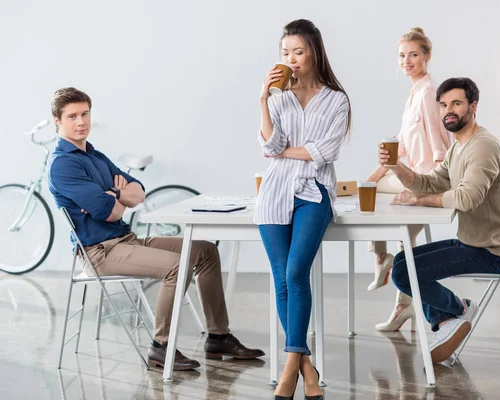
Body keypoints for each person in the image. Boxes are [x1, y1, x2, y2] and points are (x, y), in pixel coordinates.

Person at [47, 87, 264, 371]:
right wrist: (115, 196)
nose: (81, 122)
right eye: (72, 116)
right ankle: (161, 348)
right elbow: (107, 212)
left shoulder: (95, 155)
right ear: (57, 121)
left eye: (85, 114)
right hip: (98, 252)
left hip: (126, 240)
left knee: (205, 250)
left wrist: (113, 195)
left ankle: (218, 336)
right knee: (178, 266)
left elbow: (139, 193)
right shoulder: (62, 165)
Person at [378, 77, 500, 363]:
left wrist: (416, 201)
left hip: (490, 252)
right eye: (442, 105)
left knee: (404, 274)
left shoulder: (483, 147)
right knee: (401, 262)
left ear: (473, 106)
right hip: (473, 241)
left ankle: (458, 310)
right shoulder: (459, 146)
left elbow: (466, 199)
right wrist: (396, 166)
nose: (447, 111)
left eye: (456, 103)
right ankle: (446, 319)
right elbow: (431, 182)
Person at [256, 19, 350, 400]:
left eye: (298, 51)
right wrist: (262, 99)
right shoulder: (277, 98)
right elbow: (269, 145)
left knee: (296, 273)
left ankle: (288, 369)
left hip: (315, 194)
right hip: (274, 194)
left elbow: (325, 153)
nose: (291, 59)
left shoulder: (336, 99)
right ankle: (305, 369)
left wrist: (284, 150)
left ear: (314, 51)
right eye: (285, 53)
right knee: (282, 281)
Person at [365, 27, 452, 332]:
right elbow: (400, 146)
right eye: (402, 55)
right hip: (408, 172)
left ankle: (382, 261)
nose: (407, 60)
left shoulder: (429, 92)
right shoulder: (415, 91)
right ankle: (402, 302)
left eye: (413, 54)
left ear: (427, 56)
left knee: (405, 238)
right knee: (370, 195)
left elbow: (439, 140)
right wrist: (372, 177)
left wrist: (436, 187)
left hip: (423, 177)